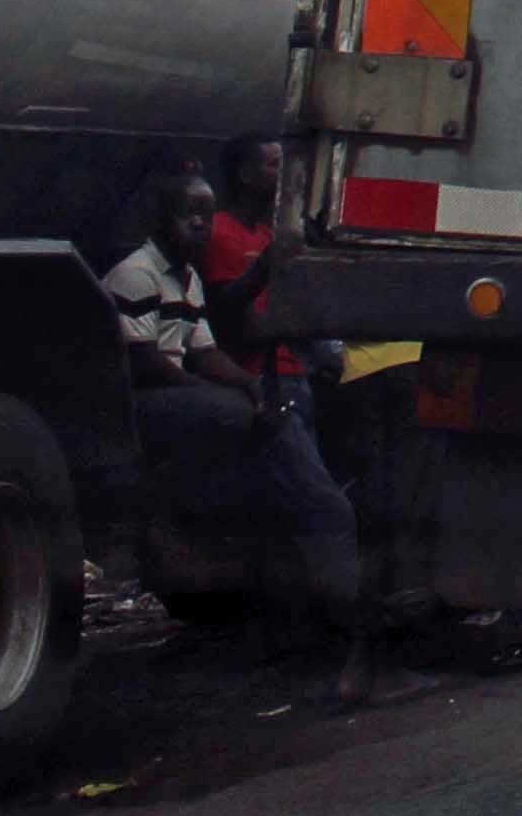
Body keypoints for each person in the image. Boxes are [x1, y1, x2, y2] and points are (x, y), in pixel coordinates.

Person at [105, 167, 372, 696]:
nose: (200, 227)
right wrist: (227, 398)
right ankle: (345, 597)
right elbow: (143, 363)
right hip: (147, 403)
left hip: (180, 395)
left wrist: (251, 388)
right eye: (190, 217)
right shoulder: (137, 275)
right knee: (268, 440)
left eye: (206, 217)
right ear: (163, 221)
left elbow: (206, 353)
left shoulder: (187, 278)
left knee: (270, 414)